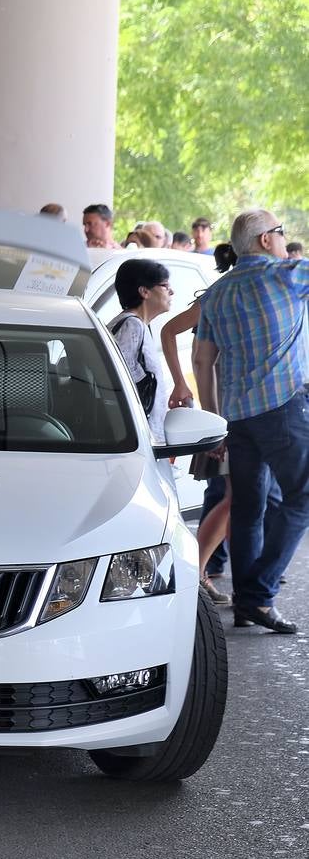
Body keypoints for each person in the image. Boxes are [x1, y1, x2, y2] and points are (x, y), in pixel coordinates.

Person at [193, 208, 307, 633]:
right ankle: (258, 595)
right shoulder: (287, 275)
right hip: (283, 411)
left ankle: (246, 603)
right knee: (303, 494)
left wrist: (212, 419)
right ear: (264, 240)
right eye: (280, 232)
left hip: (237, 418)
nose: (283, 239)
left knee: (247, 508)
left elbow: (203, 359)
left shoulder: (216, 294)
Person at [161, 287, 234, 606]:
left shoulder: (239, 293)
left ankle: (220, 568)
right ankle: (201, 570)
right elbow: (199, 357)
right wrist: (181, 381)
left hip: (232, 405)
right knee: (231, 495)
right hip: (224, 408)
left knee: (239, 496)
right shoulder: (221, 295)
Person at [110, 259, 173, 445]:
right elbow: (121, 382)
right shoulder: (132, 326)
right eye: (165, 285)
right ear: (144, 291)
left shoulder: (137, 325)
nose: (171, 291)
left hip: (142, 438)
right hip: (138, 440)